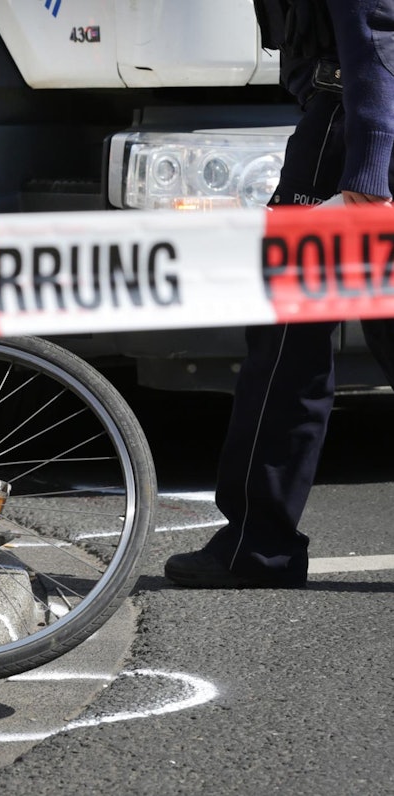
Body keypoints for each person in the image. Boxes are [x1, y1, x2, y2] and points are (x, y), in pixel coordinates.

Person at [164, 0, 394, 588]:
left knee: (288, 344)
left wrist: (369, 166)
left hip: (350, 129)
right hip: (359, 119)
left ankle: (255, 545)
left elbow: (377, 24)